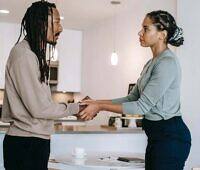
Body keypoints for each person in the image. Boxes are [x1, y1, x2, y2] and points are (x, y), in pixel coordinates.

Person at [78, 10, 191, 170]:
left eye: (146, 29)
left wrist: (100, 107)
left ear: (162, 34)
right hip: (157, 137)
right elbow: (132, 98)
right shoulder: (152, 63)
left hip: (171, 137)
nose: (140, 32)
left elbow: (141, 106)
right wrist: (96, 102)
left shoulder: (167, 63)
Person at [1, 1, 82, 170]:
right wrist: (77, 108)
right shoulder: (24, 55)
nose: (61, 28)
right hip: (26, 144)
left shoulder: (34, 54)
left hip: (33, 142)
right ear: (41, 23)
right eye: (57, 22)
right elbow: (39, 108)